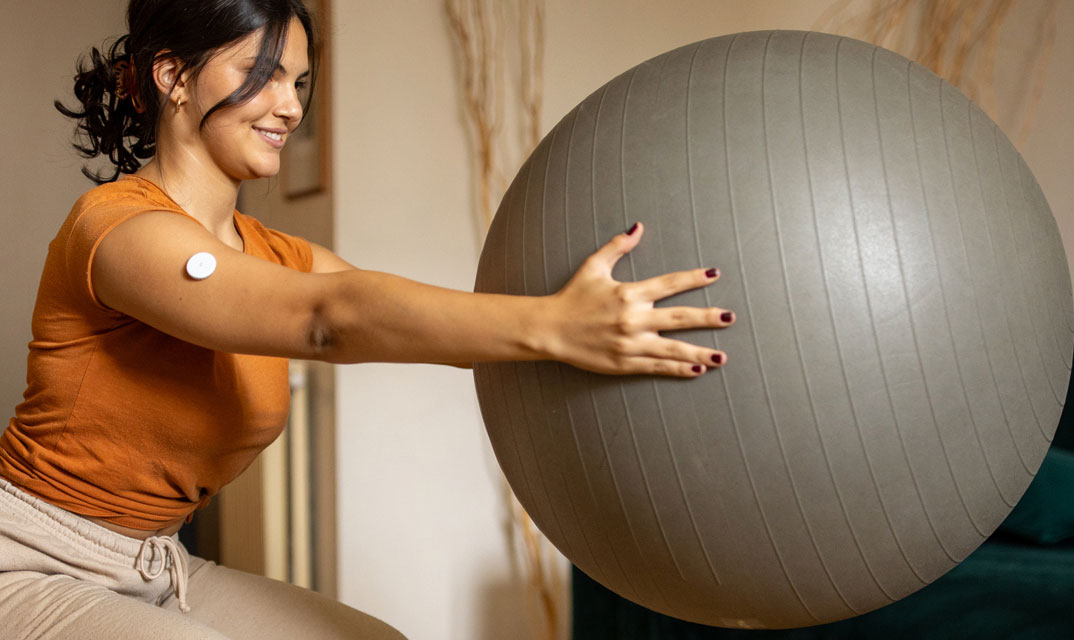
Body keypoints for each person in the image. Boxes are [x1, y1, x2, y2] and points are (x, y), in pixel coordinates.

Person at [0, 1, 734, 637]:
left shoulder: (274, 253)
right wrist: (554, 325)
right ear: (173, 77)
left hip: (158, 561)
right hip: (31, 562)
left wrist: (575, 327)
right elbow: (330, 319)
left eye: (298, 81)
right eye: (262, 75)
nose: (290, 106)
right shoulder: (118, 233)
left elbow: (412, 317)